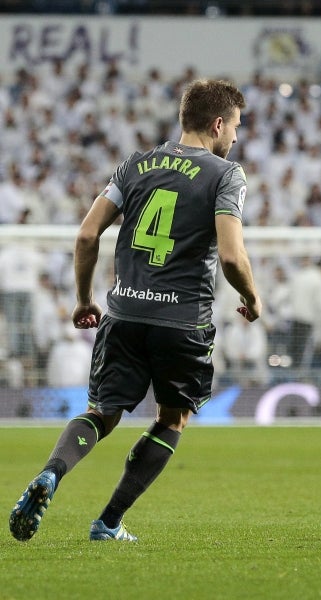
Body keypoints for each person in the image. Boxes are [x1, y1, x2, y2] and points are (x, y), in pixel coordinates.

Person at [9, 79, 262, 543]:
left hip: (123, 312)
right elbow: (230, 256)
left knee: (101, 412)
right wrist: (251, 295)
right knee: (172, 419)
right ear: (219, 124)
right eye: (237, 128)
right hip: (183, 322)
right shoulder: (227, 175)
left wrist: (85, 299)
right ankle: (107, 522)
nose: (236, 139)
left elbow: (87, 236)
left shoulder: (136, 165)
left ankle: (50, 473)